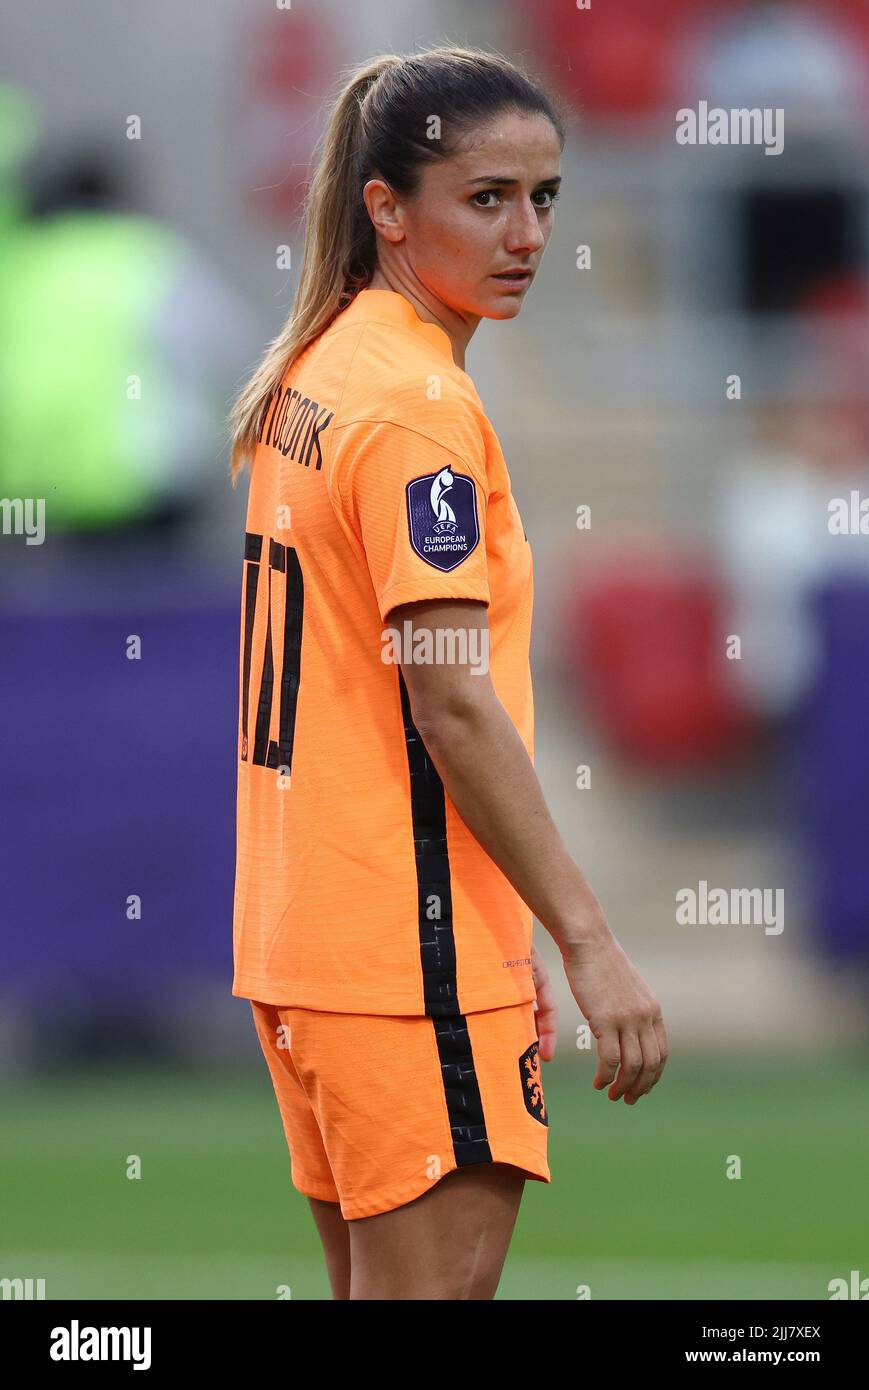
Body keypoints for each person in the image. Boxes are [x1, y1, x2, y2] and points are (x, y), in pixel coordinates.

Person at [227, 45, 668, 1302]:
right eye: (487, 198)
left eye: (546, 198)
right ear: (386, 208)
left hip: (309, 941)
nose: (527, 233)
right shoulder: (416, 407)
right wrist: (587, 940)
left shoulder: (319, 369)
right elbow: (448, 694)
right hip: (401, 952)